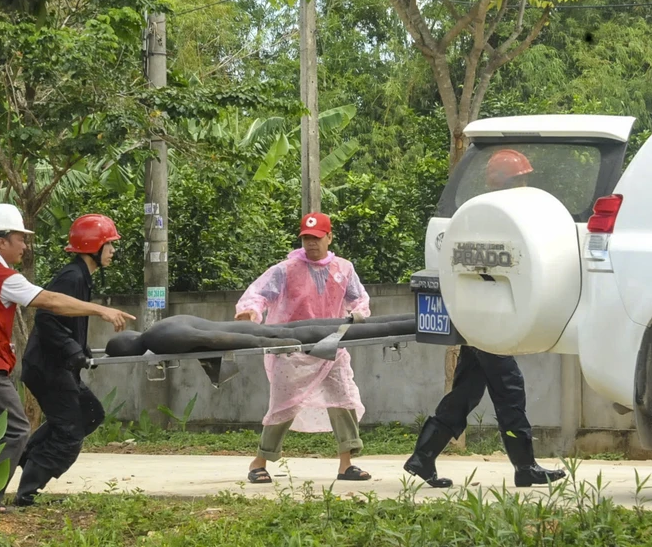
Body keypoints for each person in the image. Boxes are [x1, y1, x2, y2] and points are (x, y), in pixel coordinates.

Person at [404, 148, 567, 489]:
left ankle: (422, 457)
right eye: (521, 179)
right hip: (488, 316)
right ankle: (525, 467)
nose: (526, 183)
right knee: (509, 389)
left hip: (476, 315)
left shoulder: (482, 213)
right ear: (507, 182)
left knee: (467, 392)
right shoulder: (495, 216)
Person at [0, 204, 135, 513]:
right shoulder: (3, 276)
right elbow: (49, 305)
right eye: (20, 239)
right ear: (2, 241)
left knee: (80, 415)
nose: (25, 246)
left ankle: (20, 468)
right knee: (16, 429)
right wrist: (101, 311)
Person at [238, 212, 372, 484]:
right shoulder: (286, 269)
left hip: (331, 345)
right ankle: (260, 461)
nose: (311, 243)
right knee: (283, 404)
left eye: (317, 238)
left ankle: (346, 464)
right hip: (292, 349)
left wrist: (358, 313)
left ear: (329, 237)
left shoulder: (344, 269)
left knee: (342, 399)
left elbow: (359, 299)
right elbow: (259, 294)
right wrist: (249, 312)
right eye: (307, 238)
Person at [13, 215, 124, 507]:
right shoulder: (72, 277)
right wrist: (73, 352)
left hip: (57, 366)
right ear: (93, 246)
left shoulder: (80, 276)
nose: (113, 251)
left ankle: (27, 456)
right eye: (109, 244)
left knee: (90, 413)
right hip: (47, 369)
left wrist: (81, 350)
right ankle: (27, 492)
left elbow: (68, 323)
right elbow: (48, 318)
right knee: (70, 431)